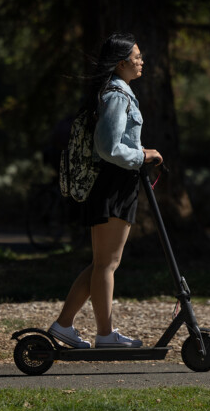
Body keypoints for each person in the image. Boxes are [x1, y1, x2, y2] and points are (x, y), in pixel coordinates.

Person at [49, 32, 163, 348]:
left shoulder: (117, 91)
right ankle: (104, 335)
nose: (142, 61)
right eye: (137, 56)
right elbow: (108, 148)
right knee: (107, 265)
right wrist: (144, 155)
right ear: (122, 62)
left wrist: (140, 152)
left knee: (103, 264)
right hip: (114, 184)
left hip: (115, 184)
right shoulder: (117, 95)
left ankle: (63, 326)